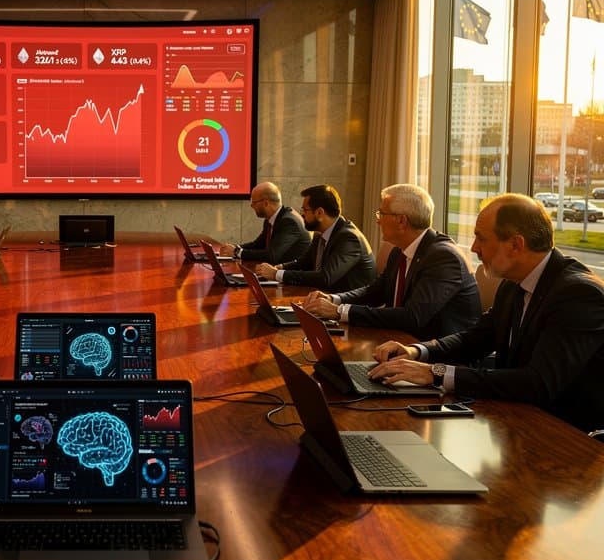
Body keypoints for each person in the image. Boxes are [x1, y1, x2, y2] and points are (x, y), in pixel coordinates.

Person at [371, 193, 604, 431]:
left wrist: (436, 373)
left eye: (481, 239)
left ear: (516, 245)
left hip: (569, 437)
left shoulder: (579, 294)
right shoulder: (513, 283)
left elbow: (538, 383)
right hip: (518, 419)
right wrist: (416, 352)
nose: (473, 248)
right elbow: (474, 339)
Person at [301, 183, 480, 340]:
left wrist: (340, 312)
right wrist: (335, 299)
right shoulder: (399, 250)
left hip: (434, 355)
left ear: (401, 221)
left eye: (382, 214)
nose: (377, 221)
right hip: (399, 341)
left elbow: (412, 317)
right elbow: (376, 291)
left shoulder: (444, 258)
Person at [255, 184, 375, 291]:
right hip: (325, 298)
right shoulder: (321, 233)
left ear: (319, 213)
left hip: (348, 307)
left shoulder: (348, 238)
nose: (302, 215)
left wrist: (277, 274)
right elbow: (305, 262)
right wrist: (280, 267)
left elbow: (325, 277)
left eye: (305, 210)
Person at [218, 182, 311, 264]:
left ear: (266, 203)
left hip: (291, 278)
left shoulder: (289, 222)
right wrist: (234, 248)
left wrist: (237, 252)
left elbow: (272, 256)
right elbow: (258, 244)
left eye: (254, 202)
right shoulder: (271, 219)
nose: (251, 206)